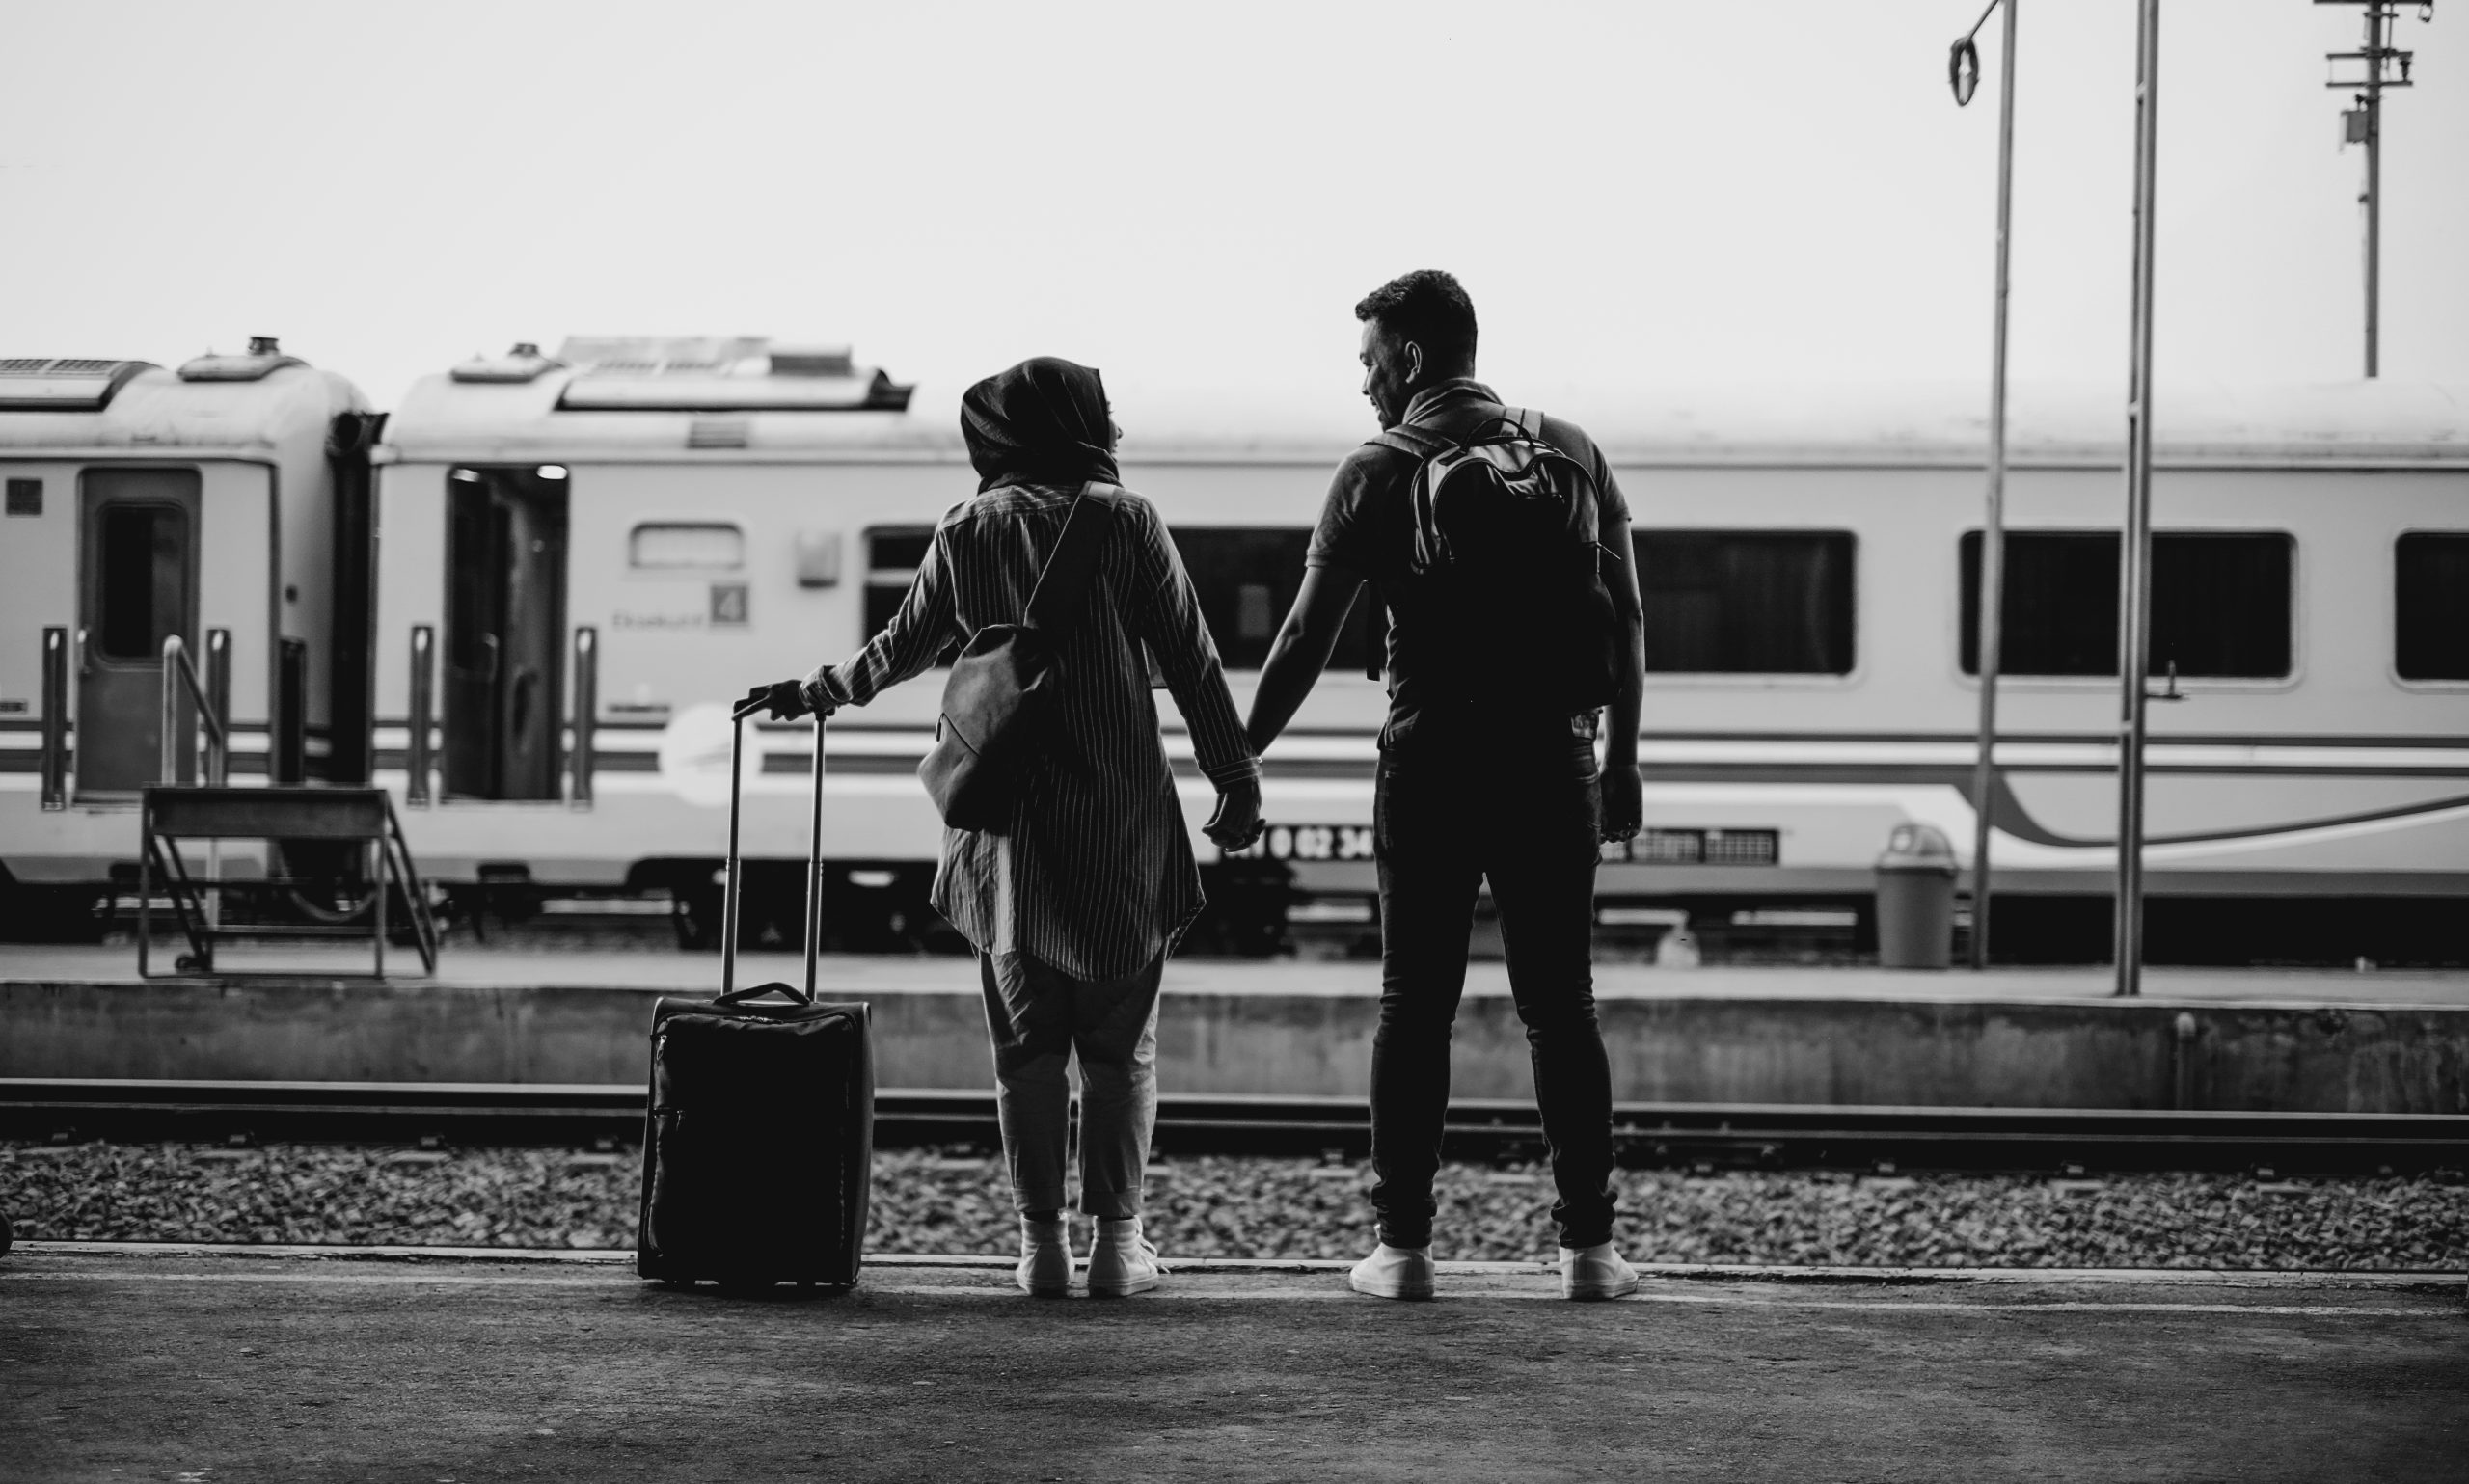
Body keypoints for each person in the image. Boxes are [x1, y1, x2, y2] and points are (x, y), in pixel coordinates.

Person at [743, 356, 1263, 1299]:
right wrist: (1235, 779)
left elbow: (898, 649)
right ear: (1081, 423)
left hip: (1007, 834)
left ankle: (1039, 1250)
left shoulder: (964, 530)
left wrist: (814, 693)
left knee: (1024, 1052)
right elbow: (1191, 658)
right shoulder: (1128, 521)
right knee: (1116, 1053)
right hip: (1119, 824)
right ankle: (1116, 1246)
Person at [1244, 270, 1648, 1301]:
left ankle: (1403, 1251)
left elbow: (1303, 636)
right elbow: (1629, 618)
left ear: (1411, 358)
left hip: (1430, 760)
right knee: (1561, 1006)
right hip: (1554, 759)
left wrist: (1240, 753)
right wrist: (1623, 760)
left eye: (1371, 361)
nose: (1366, 385)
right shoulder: (1571, 448)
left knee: (1414, 1005)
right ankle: (1590, 1253)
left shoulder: (1378, 467)